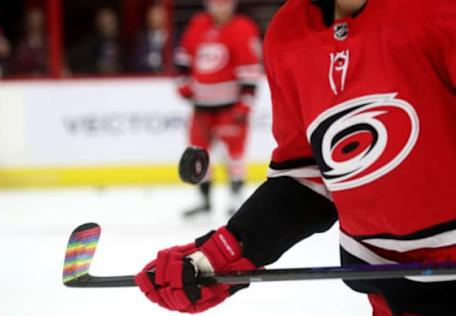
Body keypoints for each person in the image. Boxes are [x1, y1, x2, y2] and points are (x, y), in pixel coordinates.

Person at [135, 0, 456, 315]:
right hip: (386, 290)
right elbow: (310, 171)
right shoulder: (288, 32)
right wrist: (228, 250)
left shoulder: (440, 12)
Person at [174, 0, 263, 218]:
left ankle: (236, 197)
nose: (219, 8)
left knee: (234, 154)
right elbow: (184, 58)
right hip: (201, 106)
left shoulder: (243, 27)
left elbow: (251, 68)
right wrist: (183, 83)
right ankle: (205, 200)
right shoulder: (199, 23)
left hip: (229, 107)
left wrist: (246, 103)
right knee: (197, 152)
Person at [67, 8, 122, 75]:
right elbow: (70, 58)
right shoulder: (90, 43)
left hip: (123, 82)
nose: (106, 24)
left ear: (116, 21)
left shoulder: (125, 43)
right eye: (102, 21)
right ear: (97, 23)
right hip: (97, 82)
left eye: (109, 21)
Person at [129, 2, 169, 73]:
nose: (154, 18)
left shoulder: (171, 38)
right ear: (147, 18)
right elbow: (134, 62)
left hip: (165, 79)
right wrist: (147, 61)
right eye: (152, 15)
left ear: (163, 17)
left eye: (157, 15)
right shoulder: (140, 39)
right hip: (146, 79)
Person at [11, 8, 48, 76]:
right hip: (27, 81)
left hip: (45, 80)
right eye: (33, 20)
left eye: (38, 20)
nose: (36, 23)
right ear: (28, 22)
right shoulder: (22, 45)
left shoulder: (49, 43)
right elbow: (18, 65)